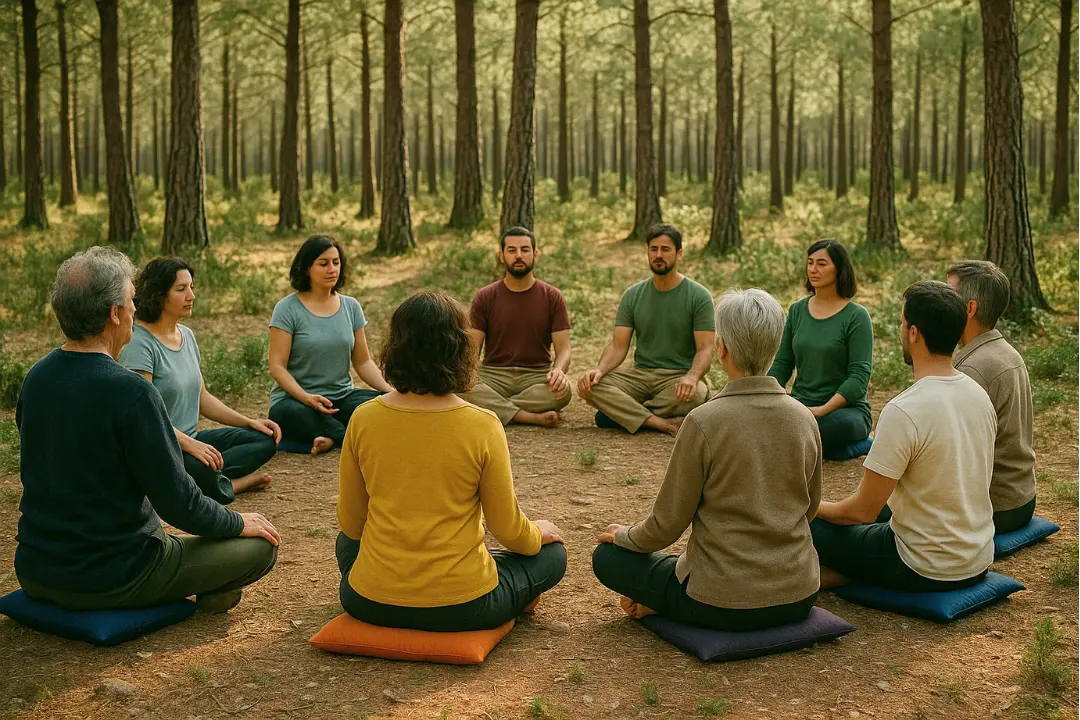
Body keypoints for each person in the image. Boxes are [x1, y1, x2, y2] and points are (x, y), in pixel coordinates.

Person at [15, 247, 279, 613]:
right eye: (130, 302)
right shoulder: (133, 392)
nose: (135, 310)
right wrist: (236, 521)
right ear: (113, 314)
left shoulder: (36, 378)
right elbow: (180, 504)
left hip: (36, 571)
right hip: (115, 576)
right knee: (261, 546)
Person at [336, 291, 567, 632]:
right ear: (460, 350)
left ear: (394, 347)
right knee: (552, 555)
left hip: (368, 601)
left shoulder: (363, 418)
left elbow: (352, 525)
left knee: (346, 542)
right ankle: (517, 597)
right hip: (464, 606)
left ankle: (389, 585)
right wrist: (539, 534)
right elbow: (507, 530)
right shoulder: (483, 425)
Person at [592, 289, 821, 631]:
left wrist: (624, 536)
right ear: (776, 347)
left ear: (722, 348)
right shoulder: (804, 418)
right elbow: (811, 507)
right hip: (798, 594)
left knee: (606, 558)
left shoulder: (703, 421)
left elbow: (665, 526)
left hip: (720, 601)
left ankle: (662, 606)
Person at [811, 281, 996, 592]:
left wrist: (810, 504)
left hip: (922, 566)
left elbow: (860, 512)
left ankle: (839, 573)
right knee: (881, 509)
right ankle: (844, 572)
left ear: (914, 334)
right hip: (977, 558)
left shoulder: (905, 410)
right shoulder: (979, 395)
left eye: (901, 322)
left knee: (810, 525)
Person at [120, 257, 280, 505]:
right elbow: (145, 414)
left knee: (264, 440)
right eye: (181, 289)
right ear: (158, 295)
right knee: (201, 467)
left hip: (192, 441)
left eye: (191, 287)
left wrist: (249, 422)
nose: (191, 295)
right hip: (162, 447)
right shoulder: (139, 342)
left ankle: (207, 482)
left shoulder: (187, 335)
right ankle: (232, 484)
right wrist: (190, 446)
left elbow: (203, 398)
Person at [578, 224, 715, 436]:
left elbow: (705, 348)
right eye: (653, 249)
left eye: (665, 249)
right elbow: (618, 345)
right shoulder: (633, 295)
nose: (658, 255)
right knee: (590, 386)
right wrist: (600, 370)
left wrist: (692, 376)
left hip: (677, 379)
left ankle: (622, 413)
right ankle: (659, 422)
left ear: (679, 254)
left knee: (696, 393)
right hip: (640, 376)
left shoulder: (699, 296)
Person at [268, 235, 392, 455]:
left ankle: (330, 436)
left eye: (336, 262)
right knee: (288, 413)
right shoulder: (287, 309)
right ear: (307, 268)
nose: (332, 269)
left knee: (381, 405)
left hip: (341, 398)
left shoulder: (351, 306)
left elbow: (363, 362)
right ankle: (346, 435)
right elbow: (277, 366)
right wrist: (306, 397)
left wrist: (390, 391)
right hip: (298, 401)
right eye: (323, 264)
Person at [946, 260, 1036, 533]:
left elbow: (956, 458)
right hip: (1022, 497)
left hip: (997, 506)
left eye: (949, 295)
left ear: (970, 308)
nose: (941, 300)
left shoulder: (973, 369)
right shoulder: (1004, 350)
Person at [768, 239, 874, 457]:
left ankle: (862, 444)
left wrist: (821, 411)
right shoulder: (797, 310)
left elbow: (859, 377)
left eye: (821, 264)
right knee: (768, 422)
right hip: (801, 406)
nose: (813, 270)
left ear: (839, 269)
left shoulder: (856, 316)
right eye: (810, 263)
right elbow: (782, 363)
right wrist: (767, 396)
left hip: (844, 413)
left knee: (821, 427)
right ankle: (834, 450)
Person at [460, 227, 572, 427]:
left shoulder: (552, 296)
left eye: (525, 250)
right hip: (494, 374)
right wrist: (466, 375)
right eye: (512, 250)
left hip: (536, 376)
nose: (519, 256)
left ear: (535, 254)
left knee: (564, 392)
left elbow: (564, 349)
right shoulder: (485, 296)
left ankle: (492, 410)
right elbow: (472, 349)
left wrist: (559, 371)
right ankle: (527, 416)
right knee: (460, 387)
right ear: (501, 256)